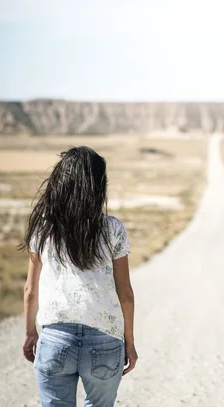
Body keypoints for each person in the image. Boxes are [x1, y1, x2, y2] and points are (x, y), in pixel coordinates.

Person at [20, 146, 138, 407]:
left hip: (55, 341)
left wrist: (30, 333)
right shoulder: (113, 229)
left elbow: (30, 289)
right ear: (98, 186)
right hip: (106, 341)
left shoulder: (44, 228)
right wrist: (129, 342)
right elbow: (125, 293)